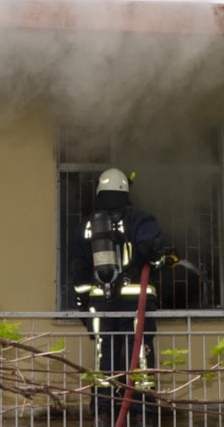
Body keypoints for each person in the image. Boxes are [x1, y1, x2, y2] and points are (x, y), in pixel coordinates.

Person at [69, 168, 178, 426]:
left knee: (102, 359)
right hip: (135, 305)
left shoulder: (87, 224)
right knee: (139, 356)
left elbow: (78, 268)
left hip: (100, 305)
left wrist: (84, 304)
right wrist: (163, 259)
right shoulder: (141, 219)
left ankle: (102, 413)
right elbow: (151, 251)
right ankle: (143, 413)